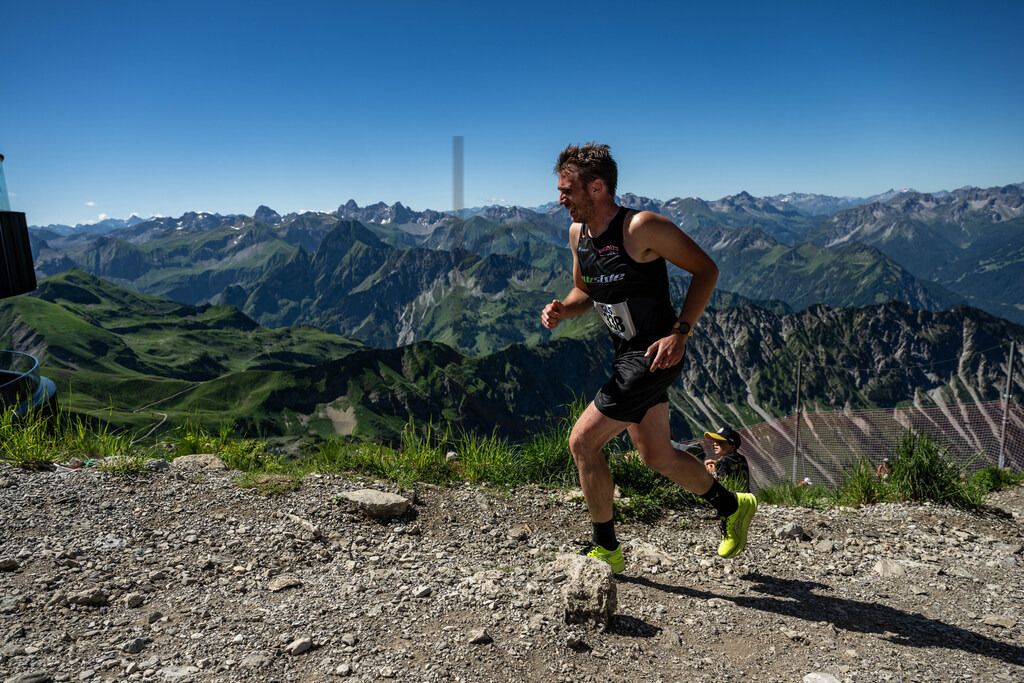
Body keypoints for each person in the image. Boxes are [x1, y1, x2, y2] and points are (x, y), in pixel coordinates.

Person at [541, 142, 757, 573]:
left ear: (597, 187)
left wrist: (681, 332)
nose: (560, 198)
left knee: (582, 442)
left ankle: (607, 549)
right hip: (626, 356)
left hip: (656, 356)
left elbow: (706, 270)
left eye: (568, 190)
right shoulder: (577, 235)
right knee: (657, 455)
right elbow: (586, 290)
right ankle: (733, 505)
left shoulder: (641, 227)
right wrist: (565, 309)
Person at [703, 427, 750, 493]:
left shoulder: (723, 461)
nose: (715, 444)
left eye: (720, 442)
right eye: (715, 441)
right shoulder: (742, 458)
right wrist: (718, 463)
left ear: (732, 446)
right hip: (747, 497)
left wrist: (713, 472)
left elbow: (721, 487)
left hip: (733, 500)